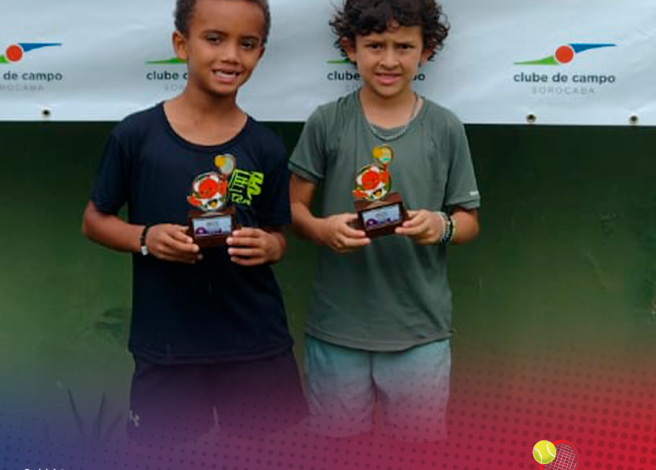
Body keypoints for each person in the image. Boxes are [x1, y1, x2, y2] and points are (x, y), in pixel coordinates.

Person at [81, 0, 305, 447]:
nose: (231, 56)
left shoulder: (265, 146)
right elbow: (94, 221)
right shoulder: (136, 136)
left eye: (247, 44)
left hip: (256, 344)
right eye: (214, 39)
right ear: (181, 45)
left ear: (260, 54)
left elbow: (278, 234)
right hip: (167, 346)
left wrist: (270, 246)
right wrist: (146, 238)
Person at [288, 0, 481, 443]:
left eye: (404, 46)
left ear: (426, 50)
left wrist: (441, 226)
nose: (389, 60)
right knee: (337, 450)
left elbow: (468, 221)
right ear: (350, 48)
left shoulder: (445, 127)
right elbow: (293, 209)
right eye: (375, 45)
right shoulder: (327, 122)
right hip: (337, 330)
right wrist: (321, 230)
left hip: (420, 333)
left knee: (415, 451)